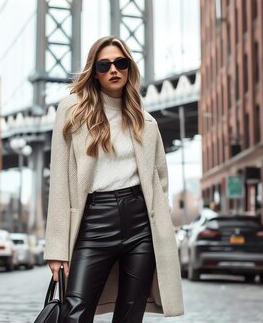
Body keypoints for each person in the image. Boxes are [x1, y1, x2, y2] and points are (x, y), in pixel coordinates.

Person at [44, 36, 184, 323]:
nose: (113, 70)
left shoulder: (146, 122)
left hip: (140, 224)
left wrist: (160, 224)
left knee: (131, 315)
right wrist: (56, 248)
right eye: (104, 65)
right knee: (75, 311)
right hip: (94, 220)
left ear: (129, 68)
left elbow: (160, 180)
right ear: (94, 71)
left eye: (121, 63)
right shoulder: (72, 111)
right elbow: (59, 179)